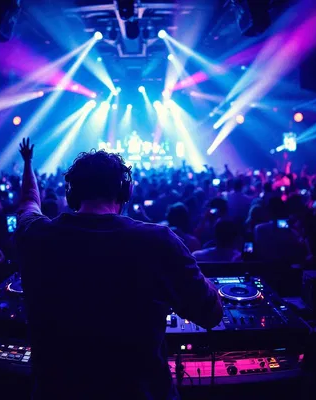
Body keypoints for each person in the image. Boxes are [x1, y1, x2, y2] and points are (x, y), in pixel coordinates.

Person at [16, 138, 222, 400]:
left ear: (72, 193)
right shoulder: (158, 241)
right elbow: (211, 313)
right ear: (124, 192)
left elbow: (28, 202)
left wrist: (28, 163)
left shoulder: (34, 235)